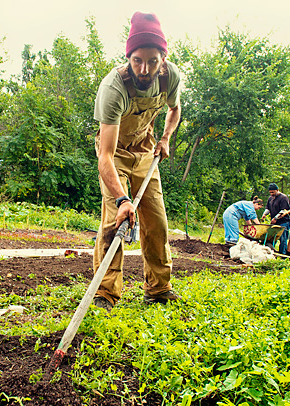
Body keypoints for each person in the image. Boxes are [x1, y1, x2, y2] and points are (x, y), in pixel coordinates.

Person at [92, 12, 182, 311]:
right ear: (128, 57)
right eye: (137, 61)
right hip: (115, 153)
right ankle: (105, 292)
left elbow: (174, 109)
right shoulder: (113, 87)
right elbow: (105, 154)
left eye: (152, 61)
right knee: (113, 222)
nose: (145, 69)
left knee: (156, 221)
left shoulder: (171, 77)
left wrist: (166, 138)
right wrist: (122, 200)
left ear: (163, 58)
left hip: (145, 151)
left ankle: (158, 288)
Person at [260, 183, 290, 254]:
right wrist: (264, 214)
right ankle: (271, 252)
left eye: (273, 192)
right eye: (270, 192)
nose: (271, 194)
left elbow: (283, 210)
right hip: (275, 222)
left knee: (283, 239)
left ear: (277, 190)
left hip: (283, 222)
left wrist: (275, 218)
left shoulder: (283, 198)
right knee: (272, 238)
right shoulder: (270, 198)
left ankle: (282, 253)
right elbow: (268, 208)